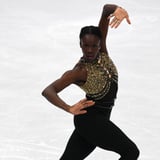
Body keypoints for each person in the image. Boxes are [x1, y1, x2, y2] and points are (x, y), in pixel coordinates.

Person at [42, 4, 140, 160]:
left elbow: (106, 9)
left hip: (99, 118)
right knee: (131, 152)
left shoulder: (102, 53)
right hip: (90, 120)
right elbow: (48, 90)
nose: (89, 50)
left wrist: (118, 9)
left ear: (100, 44)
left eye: (93, 46)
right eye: (86, 45)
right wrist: (68, 108)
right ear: (80, 44)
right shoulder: (79, 71)